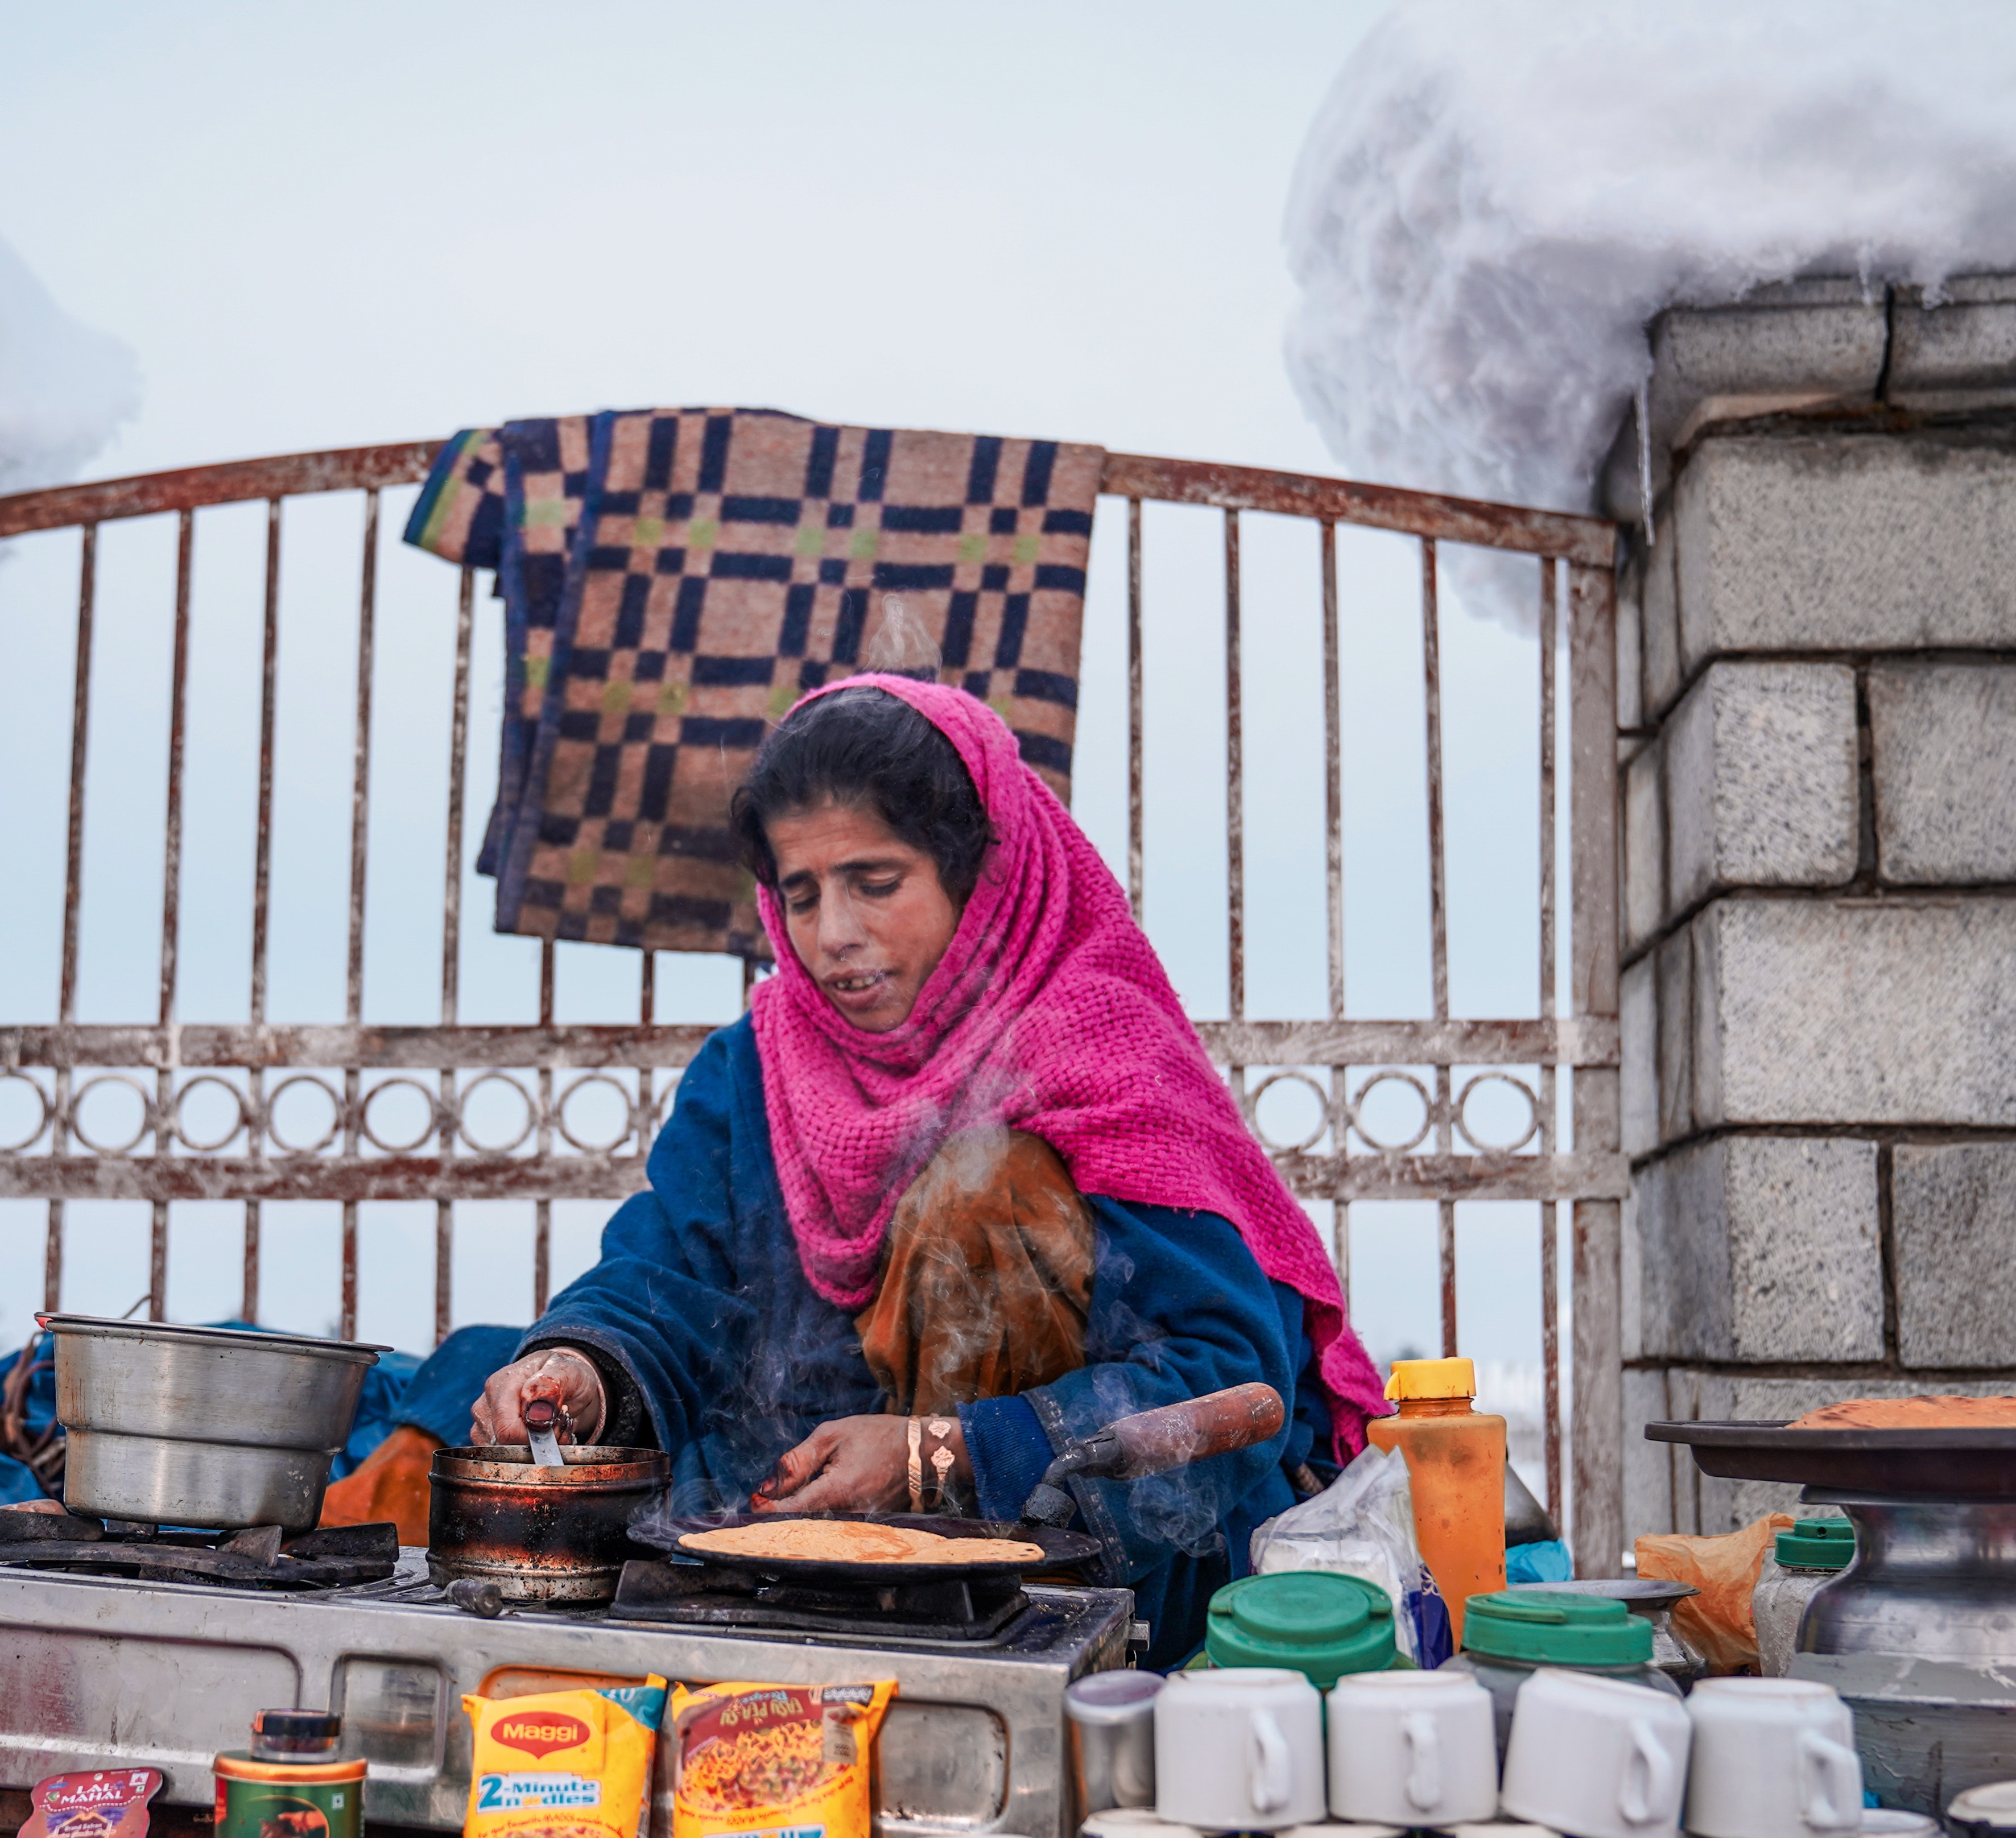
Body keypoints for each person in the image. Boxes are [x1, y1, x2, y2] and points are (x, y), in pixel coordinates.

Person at [465, 670, 1387, 1663]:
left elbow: (1227, 1380)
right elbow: (669, 1283)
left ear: (978, 875)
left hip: (1086, 1597)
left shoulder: (1104, 1058)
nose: (834, 937)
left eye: (876, 881)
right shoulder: (752, 1069)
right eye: (802, 893)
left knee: (985, 1189)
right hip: (789, 1580)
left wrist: (939, 1456)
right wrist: (585, 1367)